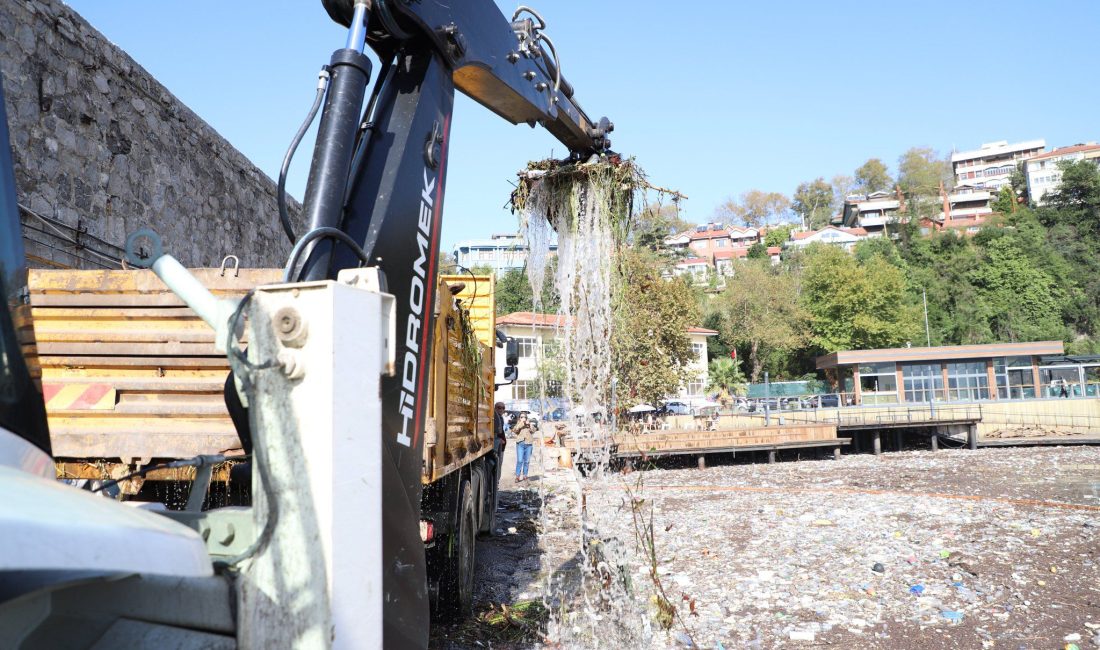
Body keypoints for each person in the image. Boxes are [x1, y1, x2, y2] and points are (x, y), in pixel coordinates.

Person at [512, 412, 534, 482]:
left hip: (529, 444)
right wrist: (521, 423)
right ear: (519, 418)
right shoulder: (518, 424)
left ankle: (525, 476)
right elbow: (515, 430)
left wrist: (529, 424)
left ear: (526, 418)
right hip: (520, 444)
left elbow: (533, 431)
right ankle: (517, 476)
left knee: (527, 461)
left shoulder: (529, 424)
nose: (523, 418)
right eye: (521, 417)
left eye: (524, 417)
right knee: (520, 460)